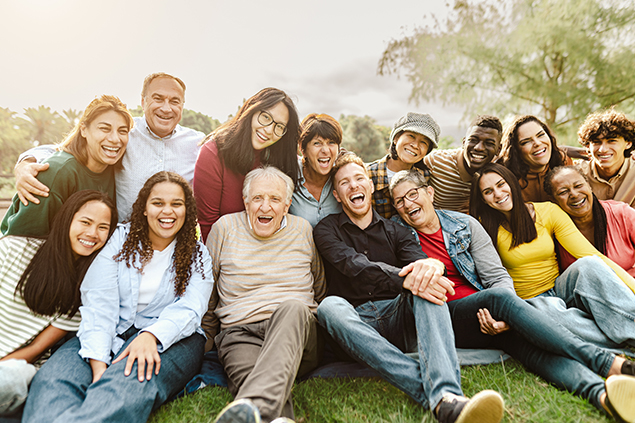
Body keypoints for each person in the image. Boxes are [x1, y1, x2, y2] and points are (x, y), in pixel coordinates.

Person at [389, 168, 635, 421]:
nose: (408, 204)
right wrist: (502, 305)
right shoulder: (396, 234)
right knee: (499, 299)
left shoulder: (464, 224)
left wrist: (504, 318)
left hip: (486, 314)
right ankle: (610, 364)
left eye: (412, 194)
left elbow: (496, 277)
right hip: (445, 315)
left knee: (533, 352)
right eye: (399, 201)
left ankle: (603, 397)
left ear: (429, 193)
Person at [314, 152, 505, 423]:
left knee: (427, 287)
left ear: (370, 186)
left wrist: (432, 269)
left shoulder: (398, 232)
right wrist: (404, 278)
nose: (354, 186)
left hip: (397, 317)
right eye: (345, 183)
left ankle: (447, 395)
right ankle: (437, 395)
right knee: (329, 306)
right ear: (337, 195)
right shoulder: (325, 229)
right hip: (355, 322)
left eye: (359, 179)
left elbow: (422, 265)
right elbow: (352, 264)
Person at [22, 171, 213, 423]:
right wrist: (99, 364)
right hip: (109, 328)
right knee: (53, 380)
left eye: (176, 204)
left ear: (187, 210)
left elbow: (191, 308)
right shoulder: (120, 241)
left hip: (173, 339)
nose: (167, 211)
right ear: (144, 208)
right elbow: (99, 301)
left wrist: (151, 335)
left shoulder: (197, 254)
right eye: (158, 203)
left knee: (126, 384)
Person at [204, 166, 325, 423]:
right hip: (239, 334)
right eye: (257, 198)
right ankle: (275, 417)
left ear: (287, 204)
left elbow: (319, 286)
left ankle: (255, 407)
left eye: (274, 199)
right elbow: (208, 289)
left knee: (292, 307)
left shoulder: (302, 230)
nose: (265, 207)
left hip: (296, 330)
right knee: (255, 379)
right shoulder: (224, 229)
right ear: (246, 202)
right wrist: (205, 339)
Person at [470, 163, 635, 347]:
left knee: (589, 264)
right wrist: (509, 313)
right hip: (529, 302)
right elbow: (486, 277)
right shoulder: (482, 227)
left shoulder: (548, 211)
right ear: (483, 200)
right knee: (552, 313)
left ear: (511, 183)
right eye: (488, 191)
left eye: (501, 184)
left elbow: (592, 255)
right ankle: (618, 345)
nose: (498, 194)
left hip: (560, 289)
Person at [13, 72, 205, 221]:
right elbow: (68, 149)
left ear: (182, 105)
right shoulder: (123, 133)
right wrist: (24, 164)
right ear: (143, 101)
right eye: (158, 98)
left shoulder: (198, 144)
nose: (166, 108)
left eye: (174, 101)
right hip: (120, 243)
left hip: (172, 244)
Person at [0, 190, 117, 416]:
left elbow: (35, 350)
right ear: (66, 220)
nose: (92, 233)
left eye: (103, 227)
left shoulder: (84, 291)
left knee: (11, 377)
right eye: (85, 222)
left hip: (13, 371)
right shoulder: (12, 249)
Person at [2, 95, 132, 236]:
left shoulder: (118, 168)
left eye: (122, 131)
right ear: (83, 130)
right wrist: (24, 163)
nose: (115, 139)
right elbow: (23, 240)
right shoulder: (57, 172)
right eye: (104, 129)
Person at [194, 88, 301, 242]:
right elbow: (208, 226)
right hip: (229, 253)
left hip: (275, 250)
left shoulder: (281, 158)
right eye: (265, 117)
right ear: (251, 111)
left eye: (279, 127)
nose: (269, 130)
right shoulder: (213, 153)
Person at [545, 165, 635, 277]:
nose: (574, 194)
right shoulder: (551, 231)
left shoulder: (621, 213)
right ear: (554, 200)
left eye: (578, 186)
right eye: (563, 192)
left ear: (589, 185)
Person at [424, 115, 503, 213]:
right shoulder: (436, 161)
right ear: (464, 142)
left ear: (498, 150)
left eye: (489, 143)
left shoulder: (499, 173)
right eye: (473, 140)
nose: (479, 148)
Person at [367, 112, 439, 219]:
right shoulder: (368, 174)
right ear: (395, 138)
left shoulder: (425, 176)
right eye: (411, 136)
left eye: (423, 142)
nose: (415, 145)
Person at [499, 115, 571, 202]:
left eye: (540, 135)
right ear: (515, 150)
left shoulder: (564, 161)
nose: (537, 143)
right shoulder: (505, 178)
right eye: (526, 142)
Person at [288, 113, 342, 227]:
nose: (325, 150)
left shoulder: (343, 175)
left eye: (331, 142)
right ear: (303, 150)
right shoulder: (288, 175)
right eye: (317, 143)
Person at [577, 108, 635, 207]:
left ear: (628, 143)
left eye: (612, 141)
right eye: (596, 142)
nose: (603, 149)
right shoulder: (577, 174)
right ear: (588, 146)